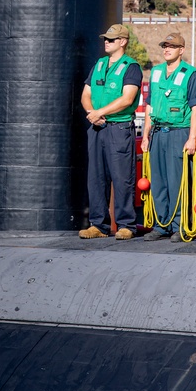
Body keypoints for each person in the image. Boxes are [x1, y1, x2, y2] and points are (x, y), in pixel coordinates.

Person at [80, 24, 142, 240]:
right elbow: (86, 93)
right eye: (106, 39)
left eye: (112, 39)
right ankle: (98, 224)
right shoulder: (99, 64)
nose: (107, 42)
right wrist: (91, 112)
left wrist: (100, 112)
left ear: (123, 41)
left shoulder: (131, 67)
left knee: (122, 177)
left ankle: (126, 224)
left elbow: (127, 98)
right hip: (97, 128)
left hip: (119, 128)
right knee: (96, 177)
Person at [142, 33, 196, 242]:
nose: (166, 49)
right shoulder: (157, 72)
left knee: (177, 182)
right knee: (158, 181)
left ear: (181, 50)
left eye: (171, 46)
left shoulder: (191, 74)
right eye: (165, 46)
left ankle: (180, 225)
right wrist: (146, 134)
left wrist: (191, 138)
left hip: (179, 132)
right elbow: (150, 104)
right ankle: (162, 224)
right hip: (158, 132)